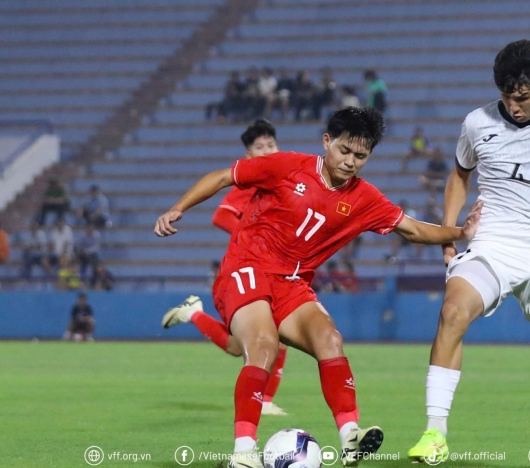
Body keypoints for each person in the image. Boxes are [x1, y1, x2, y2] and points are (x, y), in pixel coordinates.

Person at [155, 107, 482, 468]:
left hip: (292, 283)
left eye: (361, 156)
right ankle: (243, 454)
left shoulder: (364, 198)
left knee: (330, 338)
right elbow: (222, 177)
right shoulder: (285, 166)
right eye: (344, 151)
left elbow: (413, 229)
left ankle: (351, 438)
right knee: (262, 346)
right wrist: (177, 208)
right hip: (246, 267)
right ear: (327, 142)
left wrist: (460, 233)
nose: (350, 162)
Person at [408, 40, 530, 462]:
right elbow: (459, 175)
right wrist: (447, 234)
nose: (514, 107)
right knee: (453, 311)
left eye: (524, 98)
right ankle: (434, 433)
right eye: (507, 97)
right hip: (493, 243)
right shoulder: (477, 123)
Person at [208, 118, 290, 416]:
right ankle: (261, 404)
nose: (267, 150)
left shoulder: (281, 178)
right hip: (249, 269)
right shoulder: (253, 180)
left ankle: (263, 401)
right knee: (263, 341)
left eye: (271, 144)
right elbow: (222, 216)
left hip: (271, 267)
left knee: (267, 341)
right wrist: (253, 235)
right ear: (248, 156)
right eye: (260, 146)